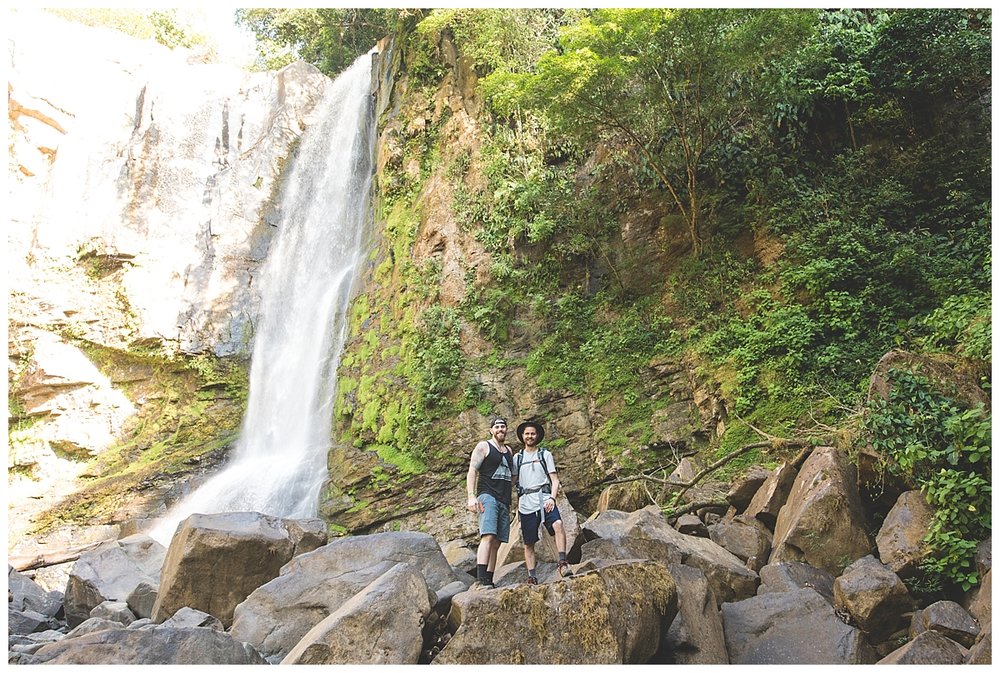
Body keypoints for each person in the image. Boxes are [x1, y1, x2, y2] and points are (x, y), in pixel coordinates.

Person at [513, 420, 573, 584]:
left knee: (558, 524)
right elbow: (511, 481)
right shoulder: (517, 458)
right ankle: (532, 576)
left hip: (545, 498)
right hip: (526, 503)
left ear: (537, 436)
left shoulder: (545, 455)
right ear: (522, 436)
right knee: (529, 542)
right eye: (527, 433)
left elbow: (554, 480)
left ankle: (562, 563)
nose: (530, 436)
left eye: (532, 433)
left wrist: (552, 498)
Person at [466, 416, 514, 588]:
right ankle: (481, 580)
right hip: (487, 495)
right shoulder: (484, 446)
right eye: (497, 427)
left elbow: (512, 476)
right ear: (491, 430)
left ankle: (489, 580)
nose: (500, 429)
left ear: (506, 430)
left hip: (504, 499)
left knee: (497, 542)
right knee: (488, 536)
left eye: (503, 426)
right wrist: (471, 496)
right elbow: (472, 471)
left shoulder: (509, 451)